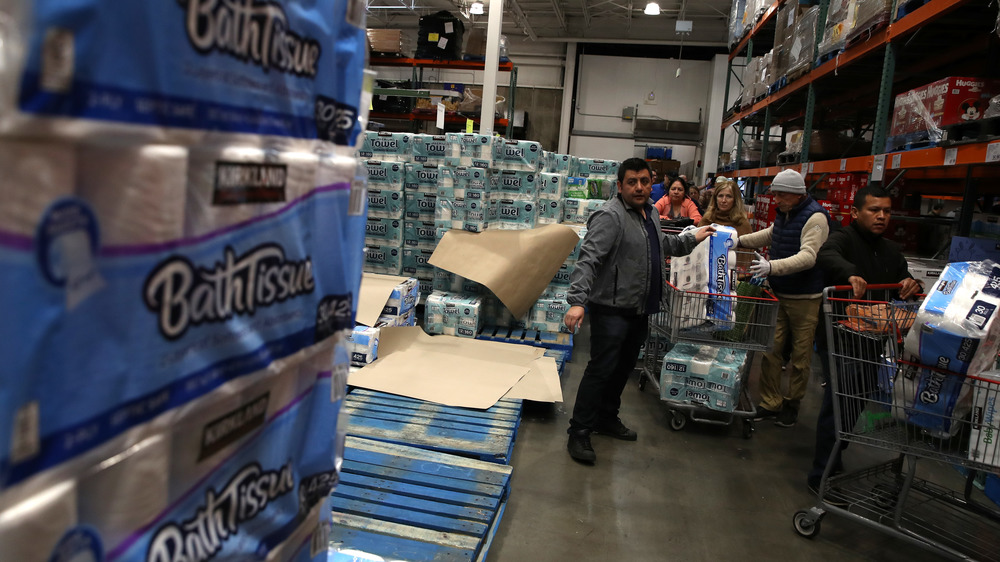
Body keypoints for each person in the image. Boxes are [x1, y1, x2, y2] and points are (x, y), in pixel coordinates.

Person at [564, 158, 715, 464]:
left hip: (639, 308)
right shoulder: (610, 216)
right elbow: (588, 259)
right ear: (620, 186)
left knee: (623, 369)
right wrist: (578, 301)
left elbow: (660, 246)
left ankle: (607, 418)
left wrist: (690, 239)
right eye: (632, 182)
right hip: (611, 309)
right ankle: (579, 431)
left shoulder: (650, 215)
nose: (639, 187)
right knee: (601, 370)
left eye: (645, 181)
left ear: (651, 183)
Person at [808, 184, 920, 499]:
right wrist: (850, 274)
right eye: (874, 210)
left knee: (855, 402)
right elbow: (826, 255)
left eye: (886, 210)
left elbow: (902, 280)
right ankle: (821, 474)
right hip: (840, 336)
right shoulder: (843, 239)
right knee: (840, 402)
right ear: (856, 212)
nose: (881, 216)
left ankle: (834, 454)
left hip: (872, 339)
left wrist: (911, 283)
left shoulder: (891, 251)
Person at [738, 169, 830, 428]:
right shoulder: (786, 213)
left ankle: (792, 403)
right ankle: (770, 403)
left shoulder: (815, 218)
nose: (775, 199)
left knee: (800, 357)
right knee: (771, 349)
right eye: (775, 194)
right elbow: (771, 234)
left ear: (795, 194)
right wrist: (736, 240)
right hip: (778, 294)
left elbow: (809, 256)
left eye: (780, 194)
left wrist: (772, 267)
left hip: (805, 297)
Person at [699, 177, 752, 272]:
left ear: (735, 200)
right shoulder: (706, 221)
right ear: (715, 199)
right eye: (720, 196)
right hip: (706, 273)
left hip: (734, 276)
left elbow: (746, 258)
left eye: (728, 196)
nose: (724, 200)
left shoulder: (742, 224)